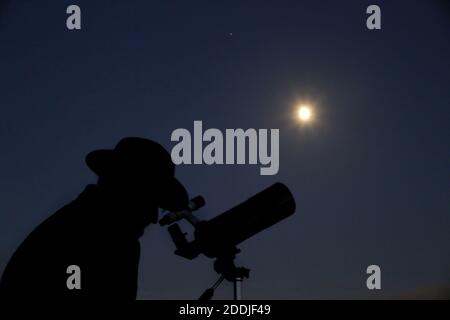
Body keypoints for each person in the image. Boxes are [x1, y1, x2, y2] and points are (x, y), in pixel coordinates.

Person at [0, 137, 188, 299]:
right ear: (126, 188)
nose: (153, 218)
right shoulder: (113, 242)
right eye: (150, 201)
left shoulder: (73, 223)